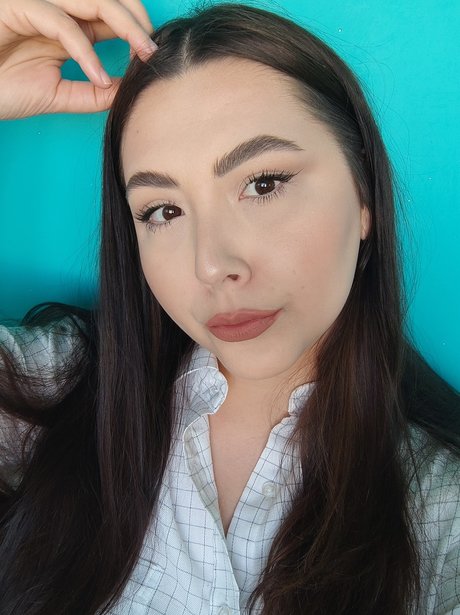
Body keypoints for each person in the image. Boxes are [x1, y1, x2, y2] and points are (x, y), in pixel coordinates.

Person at [0, 1, 459, 613]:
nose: (211, 265)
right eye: (163, 210)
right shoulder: (59, 388)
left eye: (263, 183)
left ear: (363, 196)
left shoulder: (441, 516)